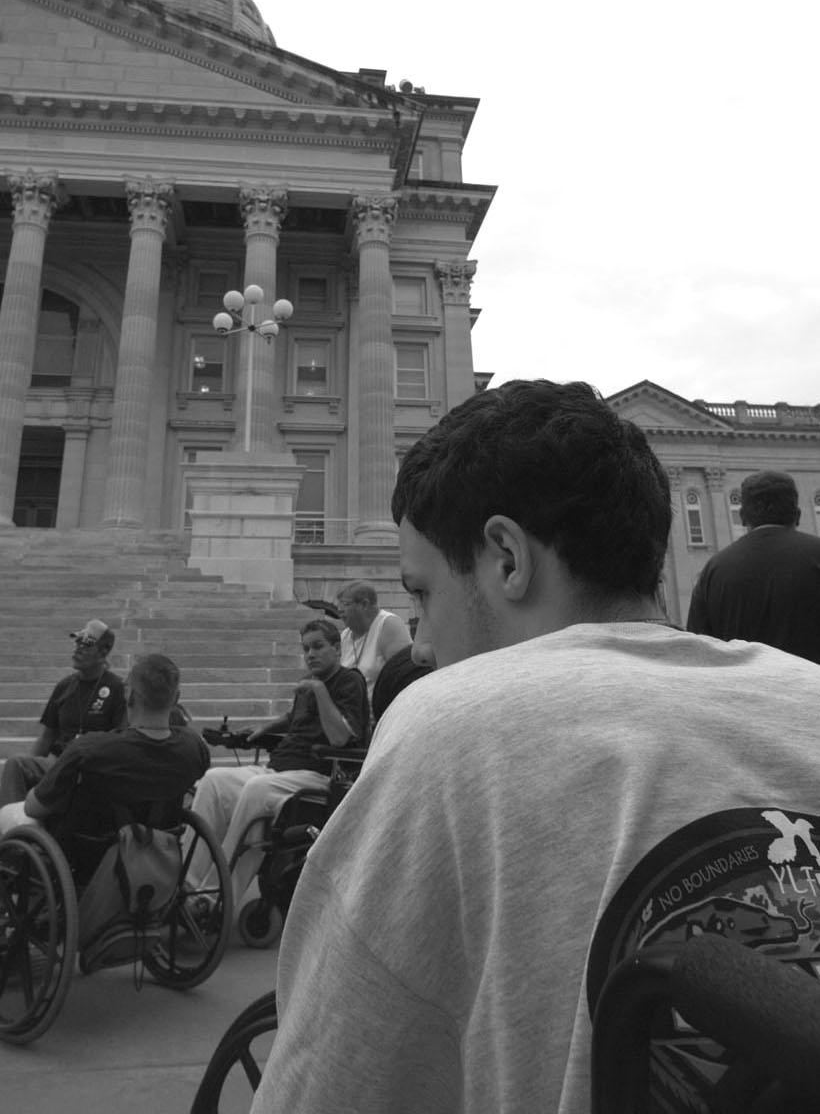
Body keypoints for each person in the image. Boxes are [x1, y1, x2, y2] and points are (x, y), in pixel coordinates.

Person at [252, 379, 820, 1114]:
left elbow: (325, 1087)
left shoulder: (449, 727)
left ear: (507, 560)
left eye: (422, 596)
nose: (419, 646)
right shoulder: (807, 692)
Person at [190, 618, 368, 909]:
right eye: (306, 648)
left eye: (318, 647)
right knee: (214, 780)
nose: (310, 654)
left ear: (337, 649)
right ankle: (187, 883)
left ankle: (215, 899)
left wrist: (320, 690)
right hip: (281, 769)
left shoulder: (350, 681)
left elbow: (339, 737)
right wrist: (265, 728)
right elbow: (294, 719)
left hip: (319, 773)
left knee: (258, 789)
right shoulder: (309, 686)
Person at [0, 653, 208, 854]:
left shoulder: (89, 749)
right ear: (176, 698)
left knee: (6, 816)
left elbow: (34, 807)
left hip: (87, 853)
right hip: (158, 846)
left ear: (128, 695)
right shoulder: (194, 747)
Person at [686, 469, 820, 663]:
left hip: (744, 691)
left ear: (742, 517)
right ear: (797, 515)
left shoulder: (713, 571)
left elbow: (698, 653)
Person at [0, 618, 127, 809]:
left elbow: (121, 737)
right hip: (57, 762)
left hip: (89, 765)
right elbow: (47, 736)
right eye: (78, 641)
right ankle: (7, 828)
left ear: (104, 652)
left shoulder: (116, 688)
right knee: (17, 764)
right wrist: (33, 765)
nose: (78, 648)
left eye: (87, 644)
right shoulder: (65, 686)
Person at [336, 581, 412, 701]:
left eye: (345, 604)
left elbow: (404, 679)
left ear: (364, 604)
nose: (339, 610)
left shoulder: (388, 625)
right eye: (338, 604)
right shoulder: (345, 636)